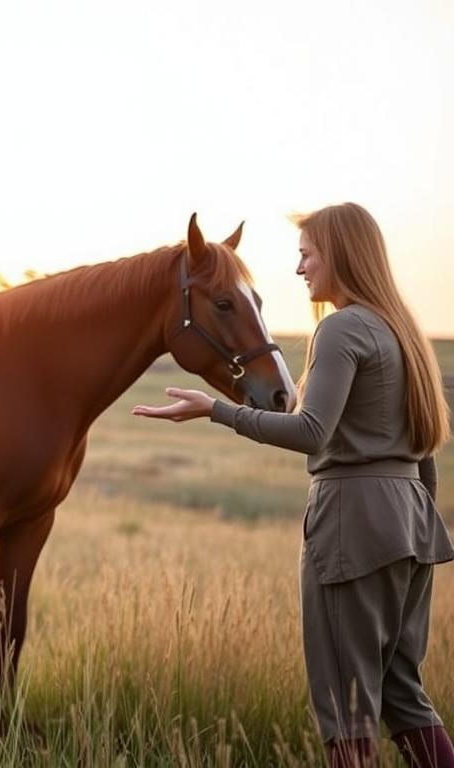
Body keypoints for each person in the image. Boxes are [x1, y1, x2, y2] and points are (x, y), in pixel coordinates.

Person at [132, 203, 454, 768]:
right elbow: (423, 446)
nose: (300, 269)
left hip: (352, 527)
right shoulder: (402, 331)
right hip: (412, 525)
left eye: (307, 255)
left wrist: (217, 411)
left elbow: (311, 431)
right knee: (405, 697)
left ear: (340, 256)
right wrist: (421, 523)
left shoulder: (341, 327)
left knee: (345, 705)